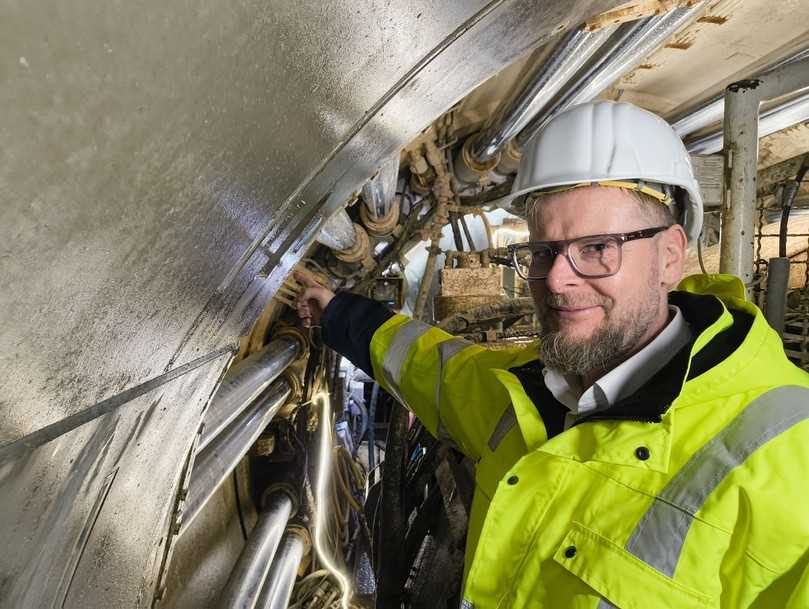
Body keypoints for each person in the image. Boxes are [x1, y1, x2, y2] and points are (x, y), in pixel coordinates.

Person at [297, 100, 809, 609]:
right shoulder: (527, 391)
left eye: (597, 248)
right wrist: (338, 312)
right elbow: (433, 368)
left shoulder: (789, 455)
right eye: (543, 252)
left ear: (670, 256)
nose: (558, 281)